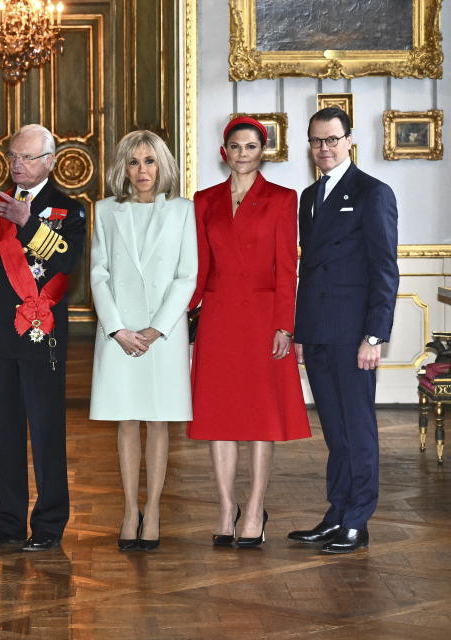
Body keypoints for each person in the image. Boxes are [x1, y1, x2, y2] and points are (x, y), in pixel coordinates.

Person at [187, 117, 311, 549]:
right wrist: (176, 316)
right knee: (219, 418)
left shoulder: (282, 199)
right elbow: (198, 269)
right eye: (236, 146)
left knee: (262, 418)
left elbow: (286, 268)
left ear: (263, 151)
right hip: (219, 318)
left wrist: (284, 324)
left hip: (263, 320)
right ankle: (226, 507)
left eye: (252, 146)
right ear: (225, 152)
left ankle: (255, 508)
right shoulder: (203, 201)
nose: (243, 153)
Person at [288, 107, 398, 553]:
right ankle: (337, 513)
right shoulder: (309, 196)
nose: (324, 148)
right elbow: (309, 271)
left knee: (358, 429)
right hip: (317, 331)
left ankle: (358, 520)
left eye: (332, 139)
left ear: (349, 140)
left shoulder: (373, 192)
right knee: (335, 431)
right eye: (316, 141)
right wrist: (300, 332)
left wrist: (374, 336)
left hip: (354, 335)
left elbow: (385, 270)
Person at [0, 124, 86, 552]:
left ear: (50, 162)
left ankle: (50, 522)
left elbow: (68, 260)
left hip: (43, 335)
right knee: (4, 432)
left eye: (27, 158)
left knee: (45, 430)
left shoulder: (68, 209)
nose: (17, 165)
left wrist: (29, 225)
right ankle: (9, 521)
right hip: (1, 333)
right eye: (13, 157)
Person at [89, 130, 197, 551]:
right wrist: (117, 329)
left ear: (162, 165)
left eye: (150, 161)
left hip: (162, 335)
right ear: (124, 168)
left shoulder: (183, 212)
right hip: (119, 334)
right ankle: (129, 509)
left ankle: (152, 510)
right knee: (126, 419)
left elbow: (186, 276)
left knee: (158, 419)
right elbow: (99, 275)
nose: (142, 171)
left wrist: (156, 329)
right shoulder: (106, 210)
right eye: (134, 162)